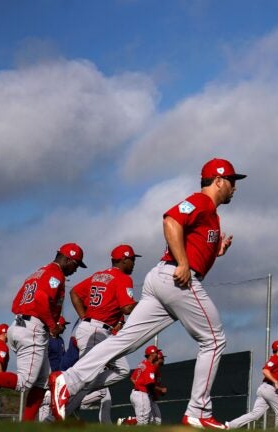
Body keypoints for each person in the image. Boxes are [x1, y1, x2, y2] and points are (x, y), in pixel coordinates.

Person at [51, 158, 246, 429]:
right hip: (174, 279)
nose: (235, 188)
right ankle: (198, 410)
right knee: (214, 340)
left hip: (163, 281)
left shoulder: (212, 215)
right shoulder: (201, 202)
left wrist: (216, 251)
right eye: (232, 181)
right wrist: (183, 262)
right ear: (219, 181)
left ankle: (67, 381)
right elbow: (171, 220)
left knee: (124, 342)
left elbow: (195, 245)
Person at [0, 244, 86, 421]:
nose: (75, 269)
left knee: (42, 382)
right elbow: (41, 299)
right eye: (75, 264)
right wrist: (51, 324)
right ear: (67, 259)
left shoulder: (38, 272)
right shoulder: (55, 273)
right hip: (33, 328)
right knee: (24, 382)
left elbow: (16, 301)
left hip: (20, 324)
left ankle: (25, 424)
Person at [63, 244, 140, 422]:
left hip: (94, 329)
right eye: (132, 259)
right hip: (98, 331)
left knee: (121, 369)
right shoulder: (122, 278)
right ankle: (55, 412)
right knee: (85, 376)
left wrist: (84, 318)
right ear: (124, 259)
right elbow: (127, 308)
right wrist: (146, 302)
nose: (134, 263)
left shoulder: (99, 275)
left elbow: (74, 292)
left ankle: (67, 398)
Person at [225, 340, 278, 429]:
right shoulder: (275, 358)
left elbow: (276, 372)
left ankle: (230, 425)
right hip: (270, 388)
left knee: (255, 414)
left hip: (263, 388)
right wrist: (275, 381)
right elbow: (265, 370)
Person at [39, 316, 69, 421]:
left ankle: (50, 423)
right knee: (46, 401)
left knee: (55, 402)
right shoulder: (47, 339)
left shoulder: (60, 340)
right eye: (63, 325)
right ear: (57, 325)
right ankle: (43, 424)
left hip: (59, 376)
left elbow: (64, 357)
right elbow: (43, 358)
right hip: (48, 375)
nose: (64, 328)